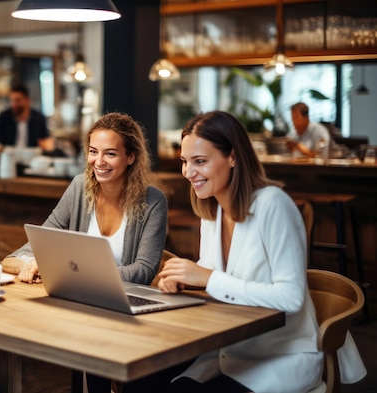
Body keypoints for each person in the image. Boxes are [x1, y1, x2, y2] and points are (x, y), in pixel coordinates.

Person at [152, 111, 365, 392]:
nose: (188, 172)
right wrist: (185, 280)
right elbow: (213, 273)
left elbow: (290, 298)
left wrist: (207, 278)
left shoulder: (272, 205)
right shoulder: (212, 209)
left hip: (280, 356)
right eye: (185, 161)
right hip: (229, 348)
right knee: (142, 381)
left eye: (200, 161)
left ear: (233, 157)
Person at [2, 112, 167, 287]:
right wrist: (31, 265)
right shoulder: (80, 187)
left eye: (110, 154)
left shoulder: (153, 201)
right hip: (79, 295)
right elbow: (20, 255)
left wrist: (68, 271)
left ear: (131, 157)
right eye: (93, 152)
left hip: (125, 301)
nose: (99, 161)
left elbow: (144, 271)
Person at [0, 84, 54, 151]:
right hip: (8, 157)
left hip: (32, 158)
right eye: (12, 100)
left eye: (17, 100)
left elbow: (46, 141)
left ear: (28, 101)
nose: (14, 104)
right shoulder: (4, 117)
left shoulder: (38, 118)